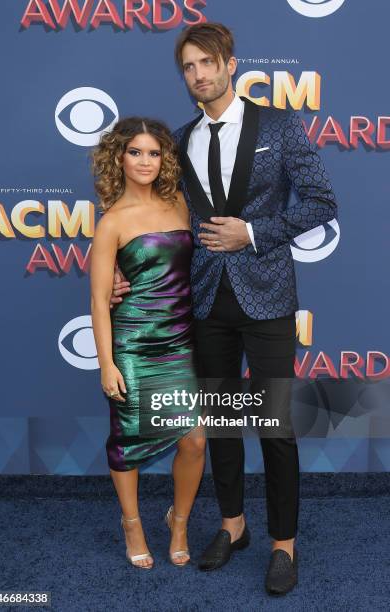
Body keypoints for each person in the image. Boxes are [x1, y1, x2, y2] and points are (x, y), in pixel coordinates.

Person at [111, 22, 337, 594]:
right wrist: (123, 264)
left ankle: (283, 543)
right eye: (188, 67)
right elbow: (157, 216)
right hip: (205, 300)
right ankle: (233, 526)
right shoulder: (180, 140)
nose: (198, 75)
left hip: (268, 298)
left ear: (230, 63)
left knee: (276, 425)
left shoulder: (280, 125)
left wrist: (253, 233)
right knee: (222, 425)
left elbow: (321, 201)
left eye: (207, 63)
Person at [90, 117, 205, 570]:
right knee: (128, 440)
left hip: (181, 340)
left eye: (154, 152)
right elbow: (100, 301)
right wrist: (107, 364)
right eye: (135, 152)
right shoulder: (112, 222)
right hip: (134, 345)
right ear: (119, 157)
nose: (145, 161)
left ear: (166, 159)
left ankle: (179, 522)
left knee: (195, 440)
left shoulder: (180, 202)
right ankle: (132, 524)